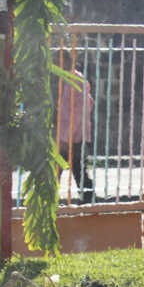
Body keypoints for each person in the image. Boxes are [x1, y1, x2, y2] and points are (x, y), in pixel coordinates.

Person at [56, 49, 95, 204]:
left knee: (73, 169)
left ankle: (88, 200)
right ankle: (88, 200)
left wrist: (66, 136)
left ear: (65, 61)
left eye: (57, 61)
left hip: (73, 136)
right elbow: (89, 102)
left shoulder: (75, 79)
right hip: (70, 134)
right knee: (77, 169)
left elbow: (80, 109)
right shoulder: (68, 79)